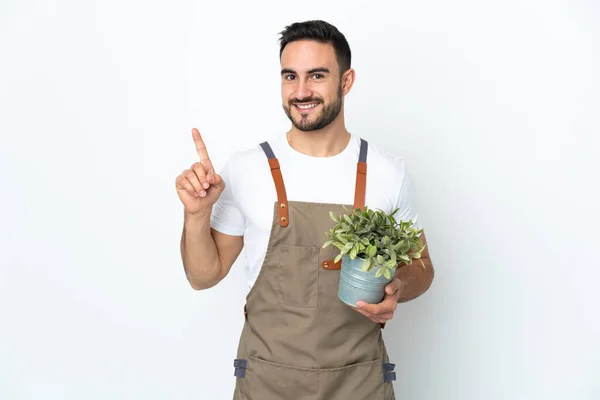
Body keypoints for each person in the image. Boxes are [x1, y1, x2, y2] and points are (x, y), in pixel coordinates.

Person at [176, 20, 434, 400]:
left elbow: (422, 268)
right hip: (266, 384)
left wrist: (397, 286)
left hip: (358, 385)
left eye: (316, 75)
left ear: (346, 82)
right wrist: (196, 216)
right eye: (289, 76)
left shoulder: (387, 173)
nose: (300, 91)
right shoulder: (246, 169)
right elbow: (203, 275)